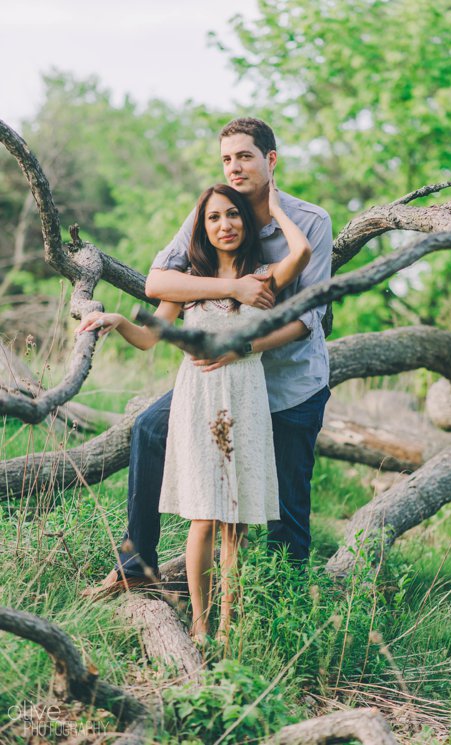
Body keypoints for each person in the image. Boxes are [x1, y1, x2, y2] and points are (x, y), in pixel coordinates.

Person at [87, 117, 333, 595]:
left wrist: (238, 346)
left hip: (288, 385)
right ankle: (136, 567)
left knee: (286, 512)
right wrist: (231, 288)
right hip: (217, 382)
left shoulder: (310, 222)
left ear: (271, 160)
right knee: (149, 428)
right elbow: (158, 282)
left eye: (245, 156)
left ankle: (288, 605)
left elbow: (308, 320)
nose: (235, 166)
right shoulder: (216, 207)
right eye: (227, 158)